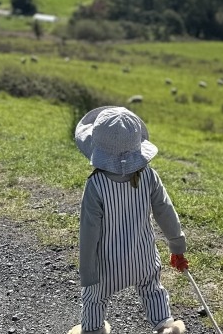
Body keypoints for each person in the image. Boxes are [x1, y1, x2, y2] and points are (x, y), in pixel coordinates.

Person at [68, 106, 190, 334]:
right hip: (143, 258)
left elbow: (89, 231)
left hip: (107, 265)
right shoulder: (149, 176)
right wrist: (177, 246)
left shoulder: (96, 185)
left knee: (94, 298)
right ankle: (165, 326)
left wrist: (87, 272)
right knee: (153, 289)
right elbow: (165, 210)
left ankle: (92, 330)